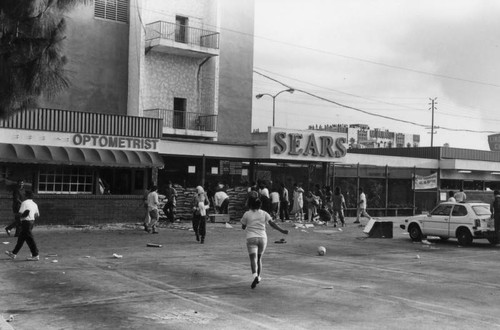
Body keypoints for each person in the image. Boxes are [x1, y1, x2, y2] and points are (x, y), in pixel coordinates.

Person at [240, 197, 289, 289]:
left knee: (253, 259)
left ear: (250, 205)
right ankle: (258, 276)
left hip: (251, 238)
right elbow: (272, 223)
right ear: (260, 205)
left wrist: (247, 226)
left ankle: (255, 276)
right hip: (262, 238)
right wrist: (282, 231)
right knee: (259, 258)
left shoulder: (247, 214)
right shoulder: (264, 213)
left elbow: (243, 226)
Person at [5, 191, 40, 261]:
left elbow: (21, 214)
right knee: (21, 239)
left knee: (30, 239)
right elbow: (37, 215)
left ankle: (35, 255)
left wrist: (18, 218)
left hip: (26, 222)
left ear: (26, 196)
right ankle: (13, 253)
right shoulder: (34, 204)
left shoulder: (24, 203)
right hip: (31, 222)